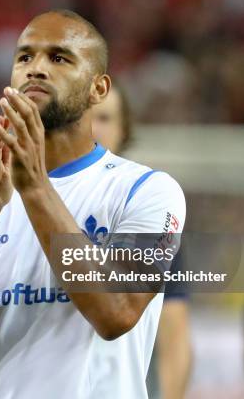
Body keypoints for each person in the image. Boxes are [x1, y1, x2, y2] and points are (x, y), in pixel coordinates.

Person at [0, 10, 186, 398]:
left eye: (59, 58)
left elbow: (117, 312)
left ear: (98, 89)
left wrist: (34, 187)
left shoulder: (145, 190)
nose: (35, 68)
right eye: (24, 57)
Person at [91, 84, 193, 399]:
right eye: (85, 117)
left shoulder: (154, 211)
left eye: (105, 118)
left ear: (124, 131)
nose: (93, 128)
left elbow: (173, 333)